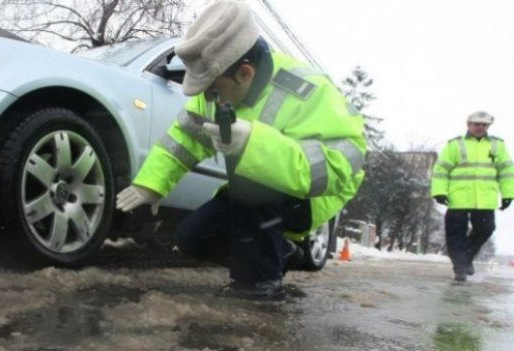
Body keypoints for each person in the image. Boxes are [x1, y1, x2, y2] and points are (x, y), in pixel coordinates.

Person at [116, 0, 366, 300]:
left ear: (244, 73)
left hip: (312, 196)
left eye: (212, 89)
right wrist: (151, 184)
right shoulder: (216, 91)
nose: (207, 97)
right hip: (252, 194)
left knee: (252, 179)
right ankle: (282, 254)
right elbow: (183, 140)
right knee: (191, 238)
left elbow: (339, 168)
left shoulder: (309, 90)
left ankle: (259, 286)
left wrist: (253, 145)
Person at [431, 111, 514, 282]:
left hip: (485, 198)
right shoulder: (455, 144)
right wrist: (439, 191)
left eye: (484, 125)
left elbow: (507, 172)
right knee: (455, 234)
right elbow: (441, 169)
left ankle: (464, 260)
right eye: (477, 124)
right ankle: (460, 268)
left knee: (486, 229)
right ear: (468, 124)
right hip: (458, 197)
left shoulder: (497, 145)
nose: (480, 127)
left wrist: (508, 194)